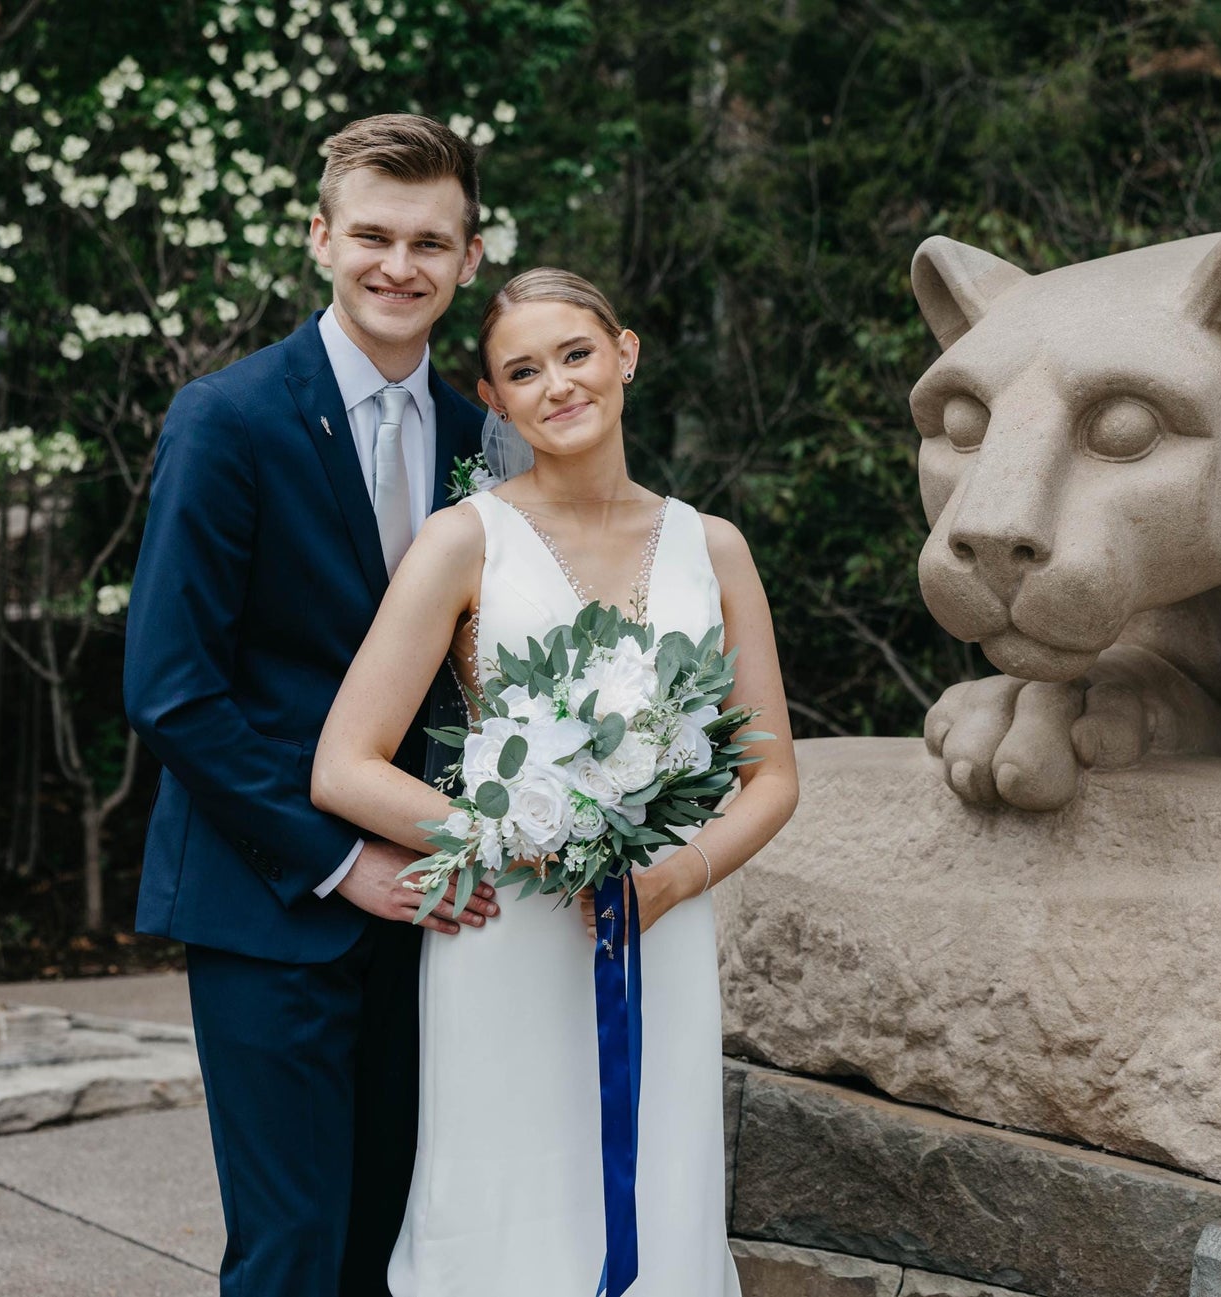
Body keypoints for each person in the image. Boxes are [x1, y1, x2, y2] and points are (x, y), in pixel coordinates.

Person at [310, 266, 798, 1294]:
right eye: (520, 371)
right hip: (508, 928)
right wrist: (520, 831)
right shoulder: (461, 543)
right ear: (491, 401)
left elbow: (772, 777)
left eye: (574, 354)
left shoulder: (713, 547)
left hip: (658, 929)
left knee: (655, 1181)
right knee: (504, 1198)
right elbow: (343, 767)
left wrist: (674, 877)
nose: (555, 385)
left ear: (623, 355)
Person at [124, 114, 501, 1296]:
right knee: (290, 1249)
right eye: (374, 236)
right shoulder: (226, 419)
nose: (400, 266)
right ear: (319, 238)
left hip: (432, 912)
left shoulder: (479, 437)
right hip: (271, 899)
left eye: (429, 243)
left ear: (469, 258)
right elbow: (171, 690)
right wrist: (341, 860)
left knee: (389, 1238)